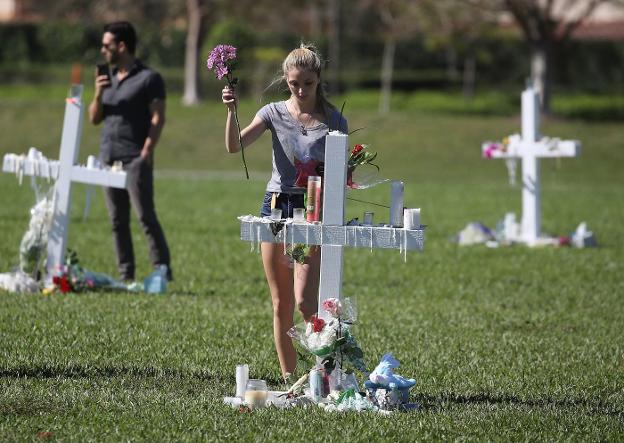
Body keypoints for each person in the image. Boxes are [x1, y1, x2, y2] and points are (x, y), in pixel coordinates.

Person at [221, 44, 348, 379]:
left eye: (307, 82)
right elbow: (235, 146)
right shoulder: (272, 113)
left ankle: (324, 376)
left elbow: (342, 173)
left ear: (318, 79)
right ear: (286, 81)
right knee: (281, 304)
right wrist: (231, 111)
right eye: (294, 83)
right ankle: (291, 380)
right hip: (276, 206)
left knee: (307, 302)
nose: (301, 90)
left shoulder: (335, 120)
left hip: (312, 207)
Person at [88, 21, 172, 282]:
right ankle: (126, 273)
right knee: (117, 221)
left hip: (135, 158)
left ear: (121, 46)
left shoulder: (149, 78)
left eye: (106, 45)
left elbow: (158, 117)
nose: (103, 50)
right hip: (108, 157)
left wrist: (147, 151)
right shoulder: (108, 78)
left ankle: (162, 270)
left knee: (145, 217)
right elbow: (94, 119)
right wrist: (98, 93)